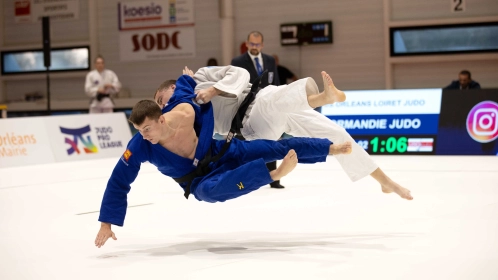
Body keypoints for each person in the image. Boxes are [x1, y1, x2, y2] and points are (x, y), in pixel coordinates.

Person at [95, 74, 354, 248]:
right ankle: (272, 176)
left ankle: (330, 148)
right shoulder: (140, 146)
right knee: (209, 192)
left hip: (221, 152)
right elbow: (119, 180)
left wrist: (189, 75)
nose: (145, 136)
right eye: (140, 131)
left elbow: (185, 84)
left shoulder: (184, 109)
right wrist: (107, 222)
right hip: (198, 180)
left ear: (161, 118)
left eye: (148, 129)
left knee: (276, 146)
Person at [155, 66, 414, 201]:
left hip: (259, 97)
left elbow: (240, 73)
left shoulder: (201, 77)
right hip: (250, 125)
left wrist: (212, 90)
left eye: (161, 99)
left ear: (173, 86)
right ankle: (320, 97)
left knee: (335, 132)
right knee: (275, 102)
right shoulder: (184, 115)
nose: (162, 106)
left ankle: (385, 182)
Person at [231, 31, 283, 188]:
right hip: (247, 108)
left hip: (268, 107)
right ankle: (244, 180)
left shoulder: (269, 60)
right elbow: (235, 84)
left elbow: (277, 83)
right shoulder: (237, 61)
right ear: (246, 44)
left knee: (270, 139)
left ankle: (274, 179)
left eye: (257, 44)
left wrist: (279, 101)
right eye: (252, 44)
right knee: (246, 143)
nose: (254, 47)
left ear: (262, 44)